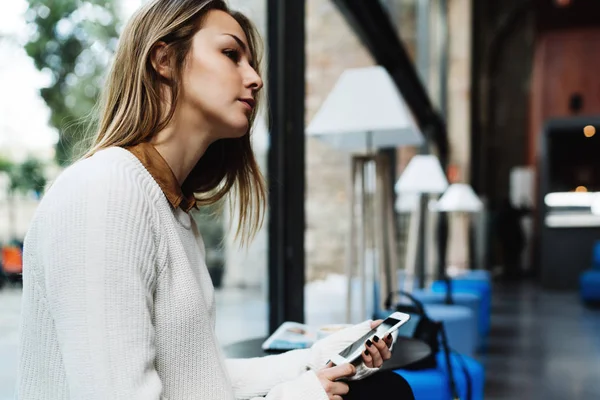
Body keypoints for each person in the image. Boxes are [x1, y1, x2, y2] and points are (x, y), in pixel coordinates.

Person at [15, 1, 398, 399]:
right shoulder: (105, 192)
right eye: (231, 54)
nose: (255, 78)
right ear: (163, 59)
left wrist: (321, 358)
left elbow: (197, 380)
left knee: (385, 388)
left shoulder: (169, 208)